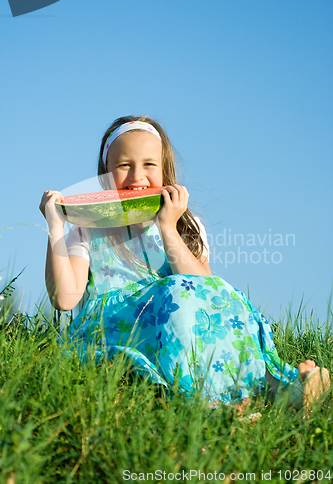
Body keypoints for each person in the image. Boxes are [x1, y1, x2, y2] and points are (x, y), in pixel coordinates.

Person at [39, 115, 330, 411]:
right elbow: (65, 299)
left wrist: (167, 227)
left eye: (149, 165)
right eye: (124, 165)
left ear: (165, 171)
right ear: (105, 173)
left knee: (194, 297)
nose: (137, 176)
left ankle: (282, 387)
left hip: (180, 322)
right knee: (175, 292)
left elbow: (205, 288)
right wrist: (55, 228)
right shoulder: (88, 229)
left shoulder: (184, 225)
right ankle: (216, 405)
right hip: (120, 328)